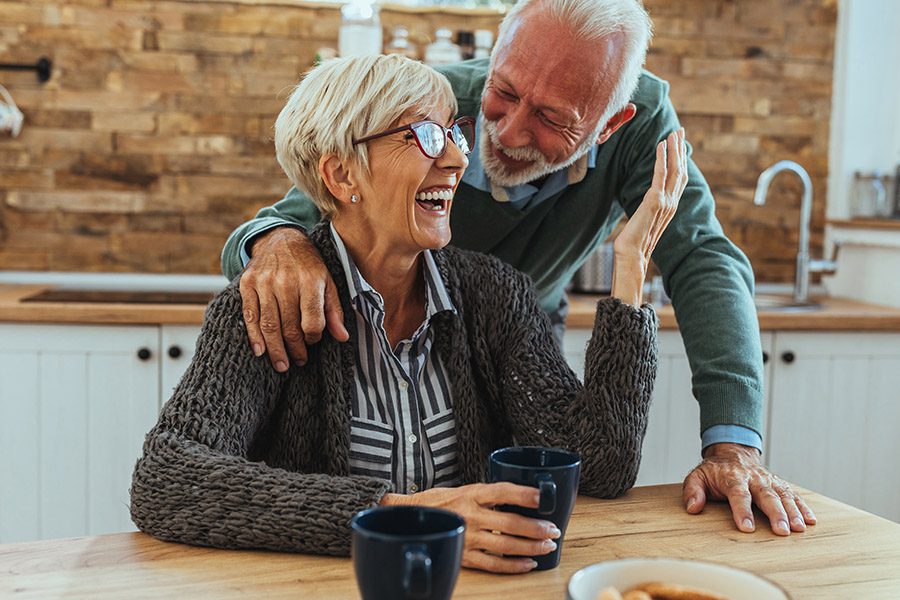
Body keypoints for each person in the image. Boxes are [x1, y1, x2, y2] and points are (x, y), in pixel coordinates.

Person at [220, 0, 817, 537]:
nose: (506, 131)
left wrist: (734, 444)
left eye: (553, 121)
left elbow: (702, 258)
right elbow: (292, 216)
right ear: (493, 56)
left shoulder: (643, 129)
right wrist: (276, 242)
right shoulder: (432, 108)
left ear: (609, 126)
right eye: (503, 92)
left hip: (527, 327)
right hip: (377, 333)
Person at [131, 54, 684, 573]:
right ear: (343, 175)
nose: (456, 158)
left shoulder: (495, 296)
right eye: (422, 135)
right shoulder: (266, 310)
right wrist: (401, 515)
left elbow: (601, 464)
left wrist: (631, 263)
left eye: (452, 132)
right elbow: (167, 479)